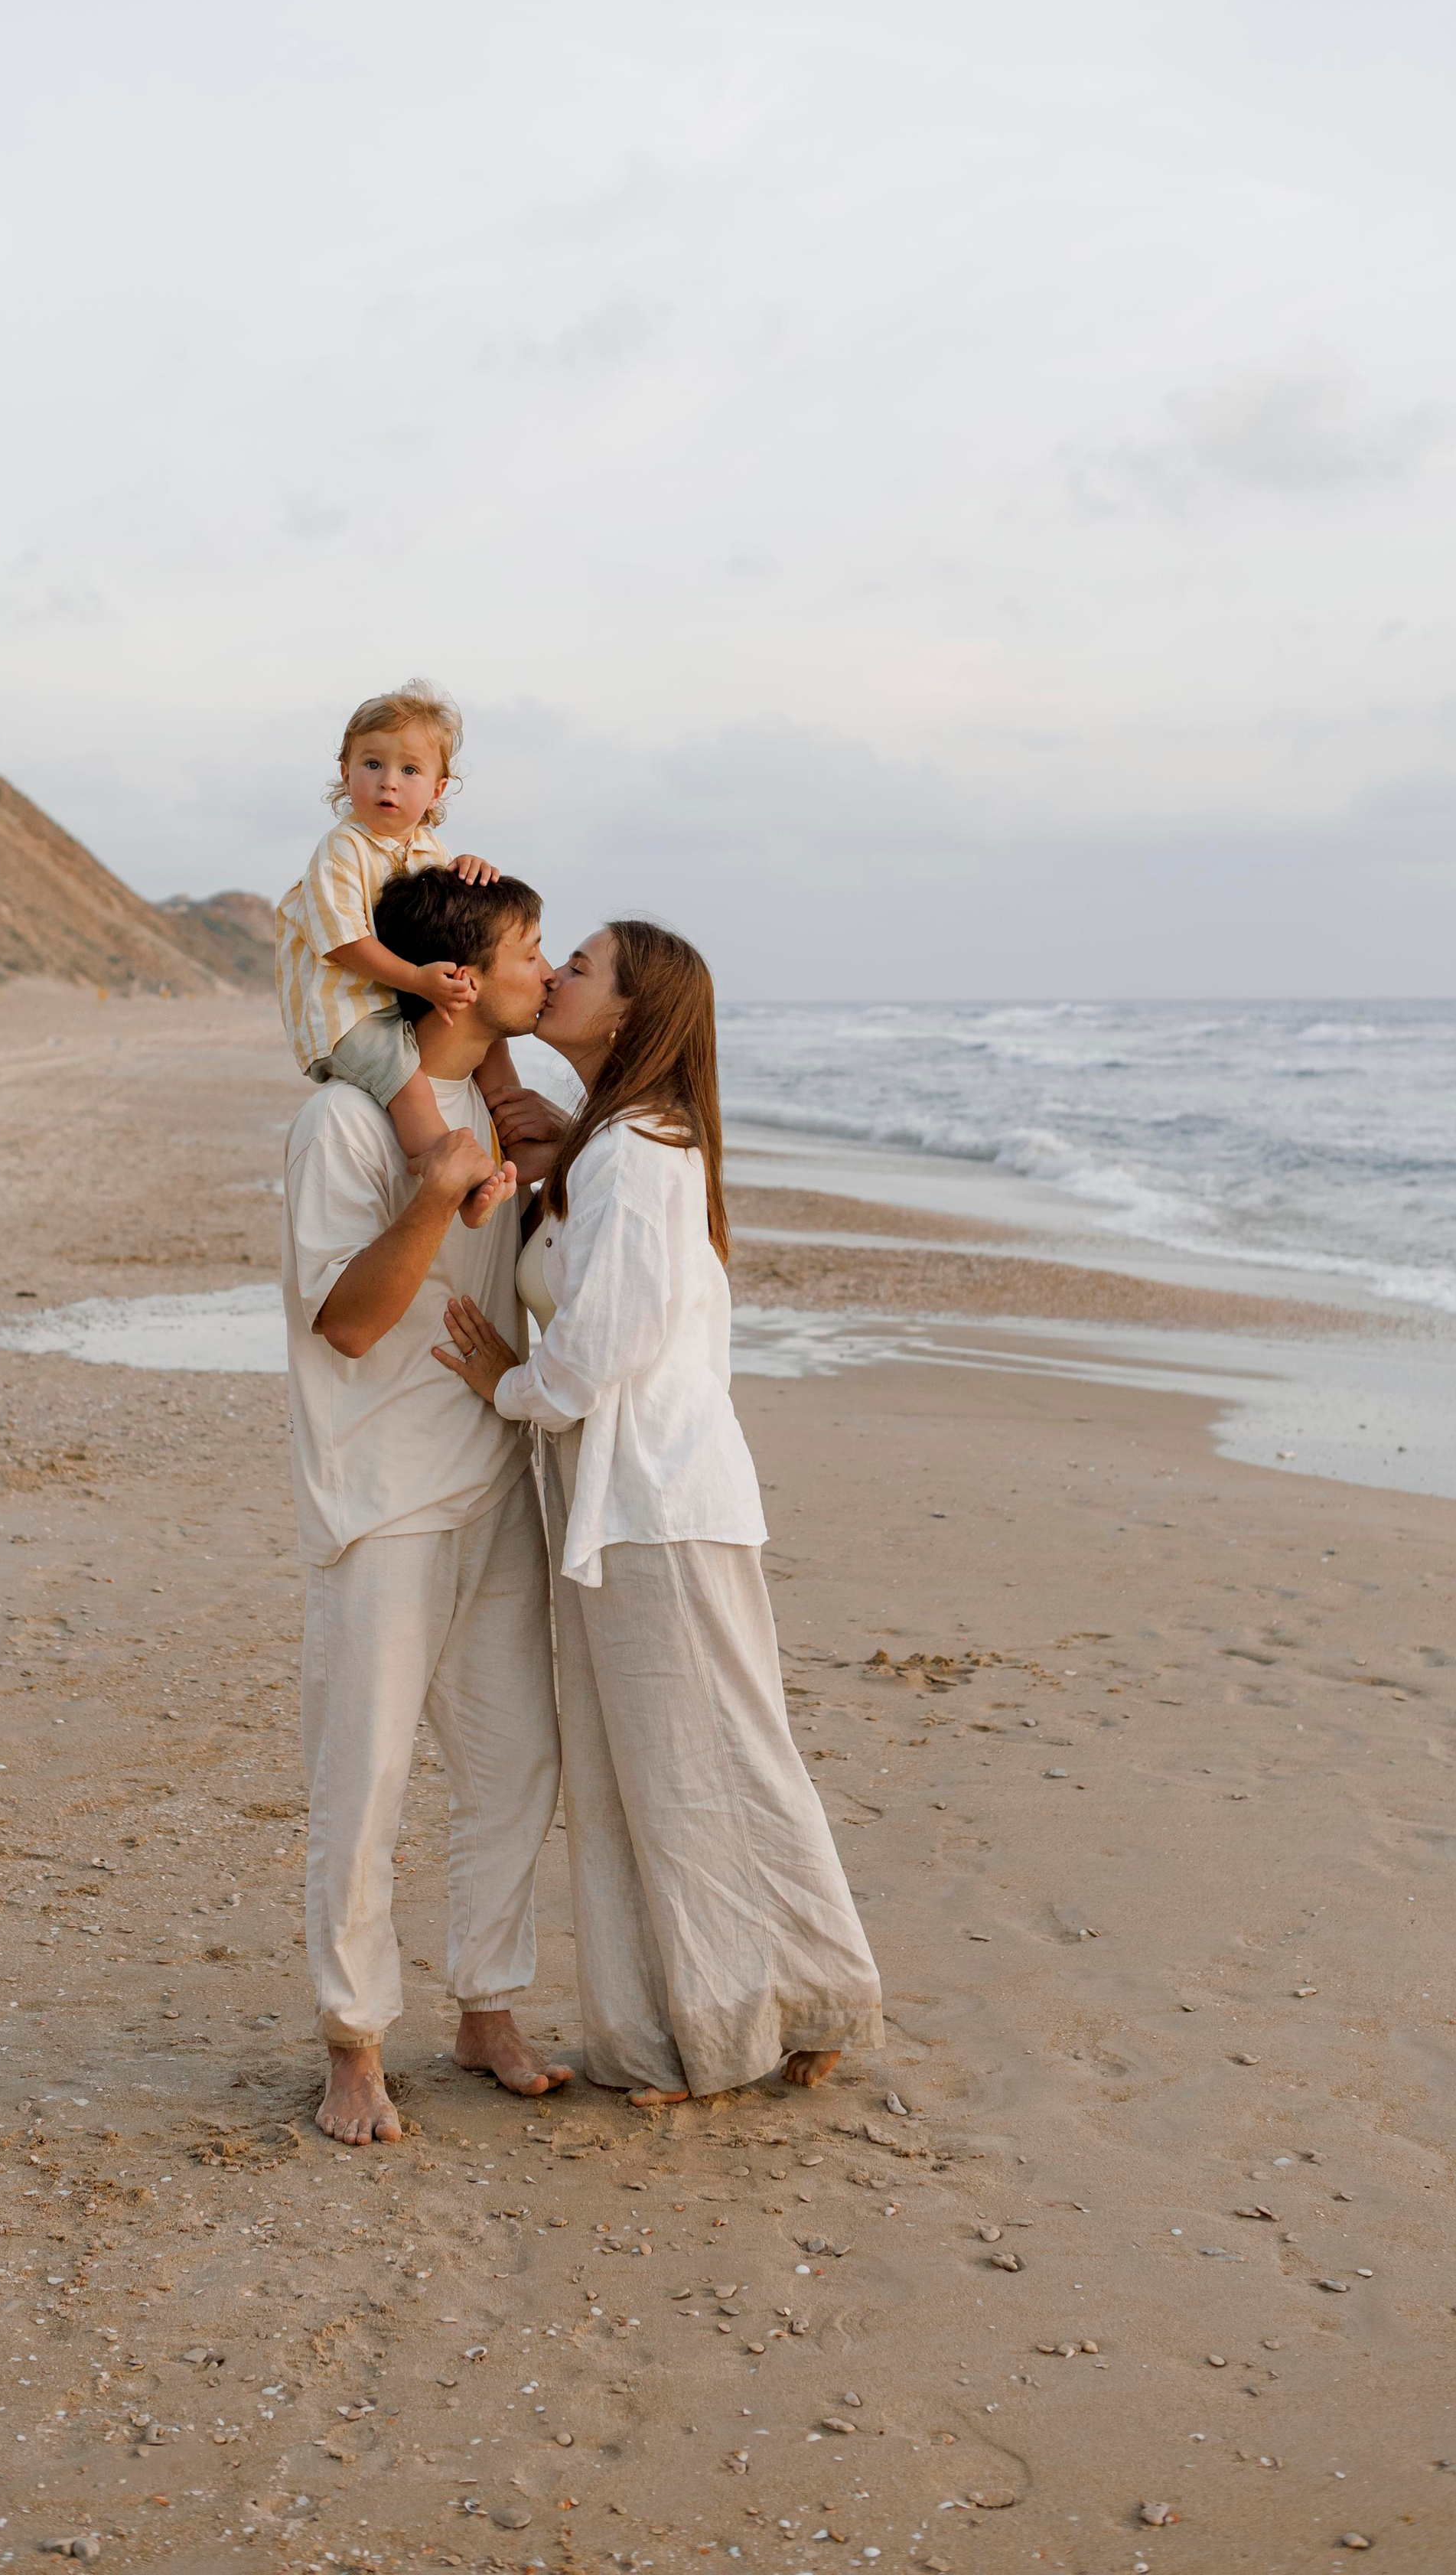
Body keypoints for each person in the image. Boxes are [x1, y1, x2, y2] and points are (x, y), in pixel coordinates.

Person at [435, 921, 884, 2105]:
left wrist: (506, 1387)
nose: (559, 976)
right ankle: (707, 2026)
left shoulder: (638, 1149)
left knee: (708, 1767)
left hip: (657, 1502)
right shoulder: (611, 1142)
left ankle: (782, 2009)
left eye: (579, 966)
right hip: (621, 1501)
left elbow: (604, 1351)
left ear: (629, 1014)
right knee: (652, 1775)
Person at [280, 863, 570, 2143]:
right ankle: (354, 2041)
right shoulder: (346, 1123)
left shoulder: (517, 1104)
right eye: (529, 950)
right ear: (465, 976)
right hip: (382, 1498)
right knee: (369, 1780)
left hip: (495, 1480)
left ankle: (487, 2004)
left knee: (515, 1762)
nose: (546, 971)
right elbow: (344, 1325)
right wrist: (436, 1188)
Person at [271, 679, 520, 1220]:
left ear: (438, 789)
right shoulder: (343, 848)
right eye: (372, 764)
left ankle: (517, 1135)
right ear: (345, 770)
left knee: (485, 1039)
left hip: (398, 999)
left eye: (410, 770)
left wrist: (469, 870)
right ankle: (450, 1183)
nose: (389, 783)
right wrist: (419, 982)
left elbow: (447, 916)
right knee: (409, 1085)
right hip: (347, 1012)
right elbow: (345, 945)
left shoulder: (431, 847)